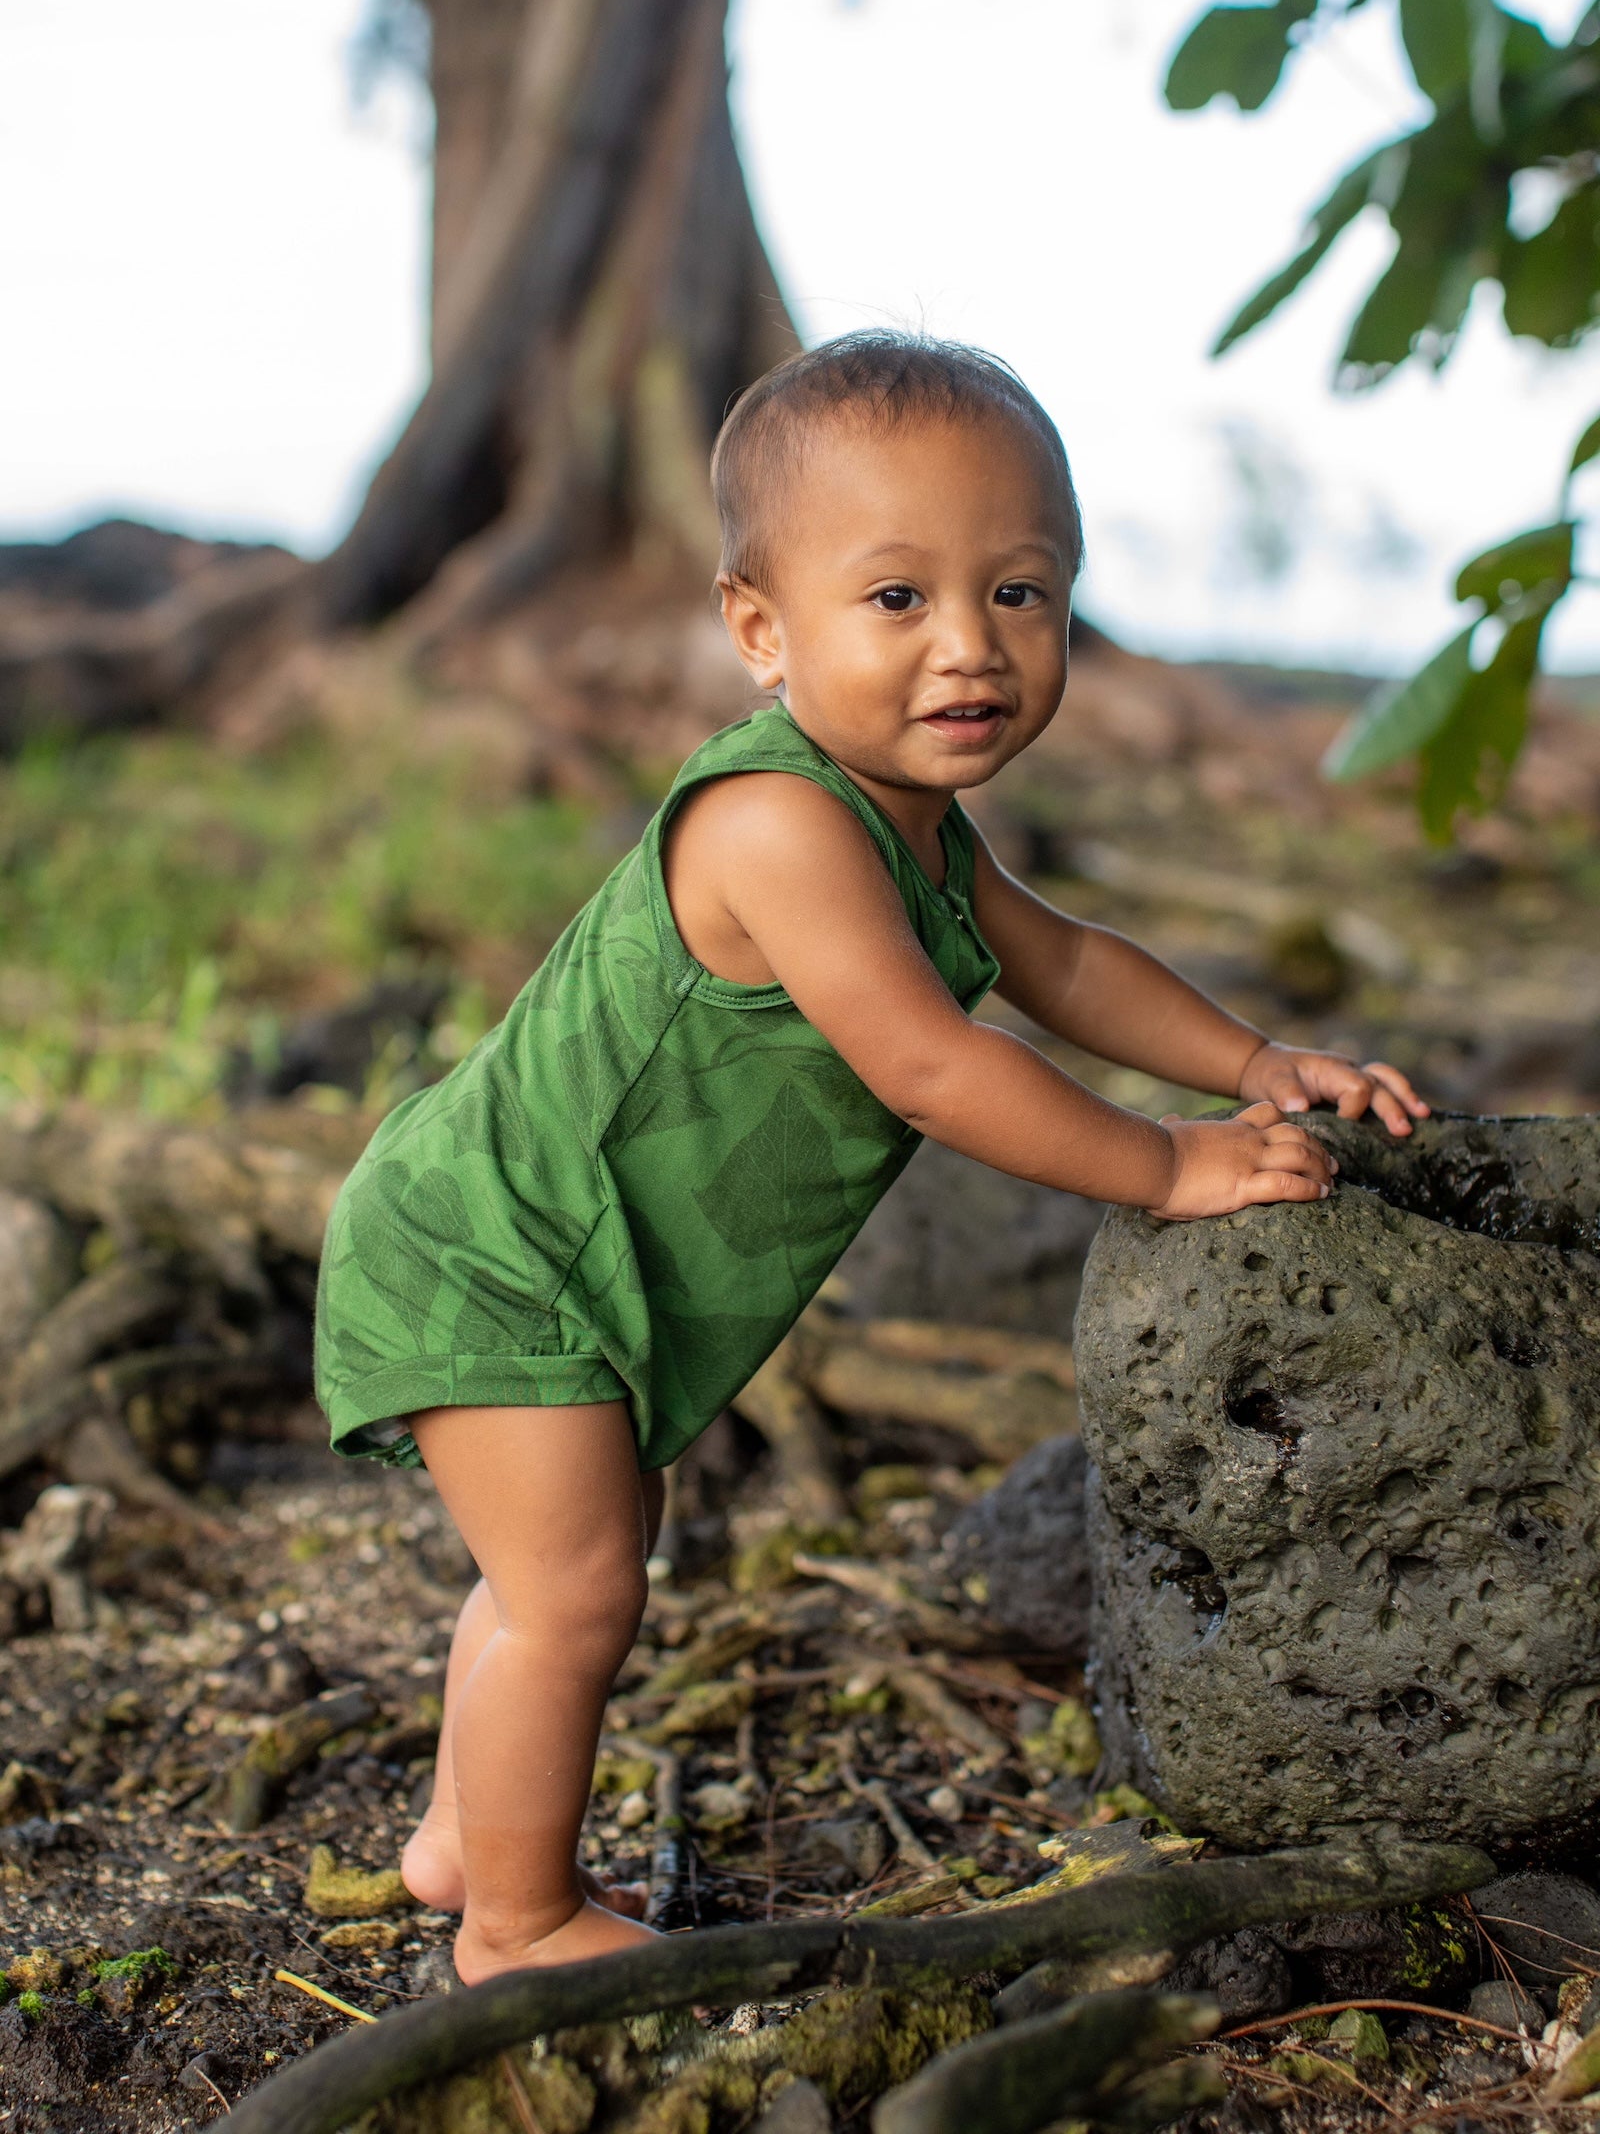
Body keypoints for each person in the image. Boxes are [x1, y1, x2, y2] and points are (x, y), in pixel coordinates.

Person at [313, 332, 1427, 1985]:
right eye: (896, 599)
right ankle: (516, 1925)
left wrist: (1253, 1059)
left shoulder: (917, 830)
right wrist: (1167, 1164)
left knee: (563, 1562)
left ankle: (468, 1835)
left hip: (565, 1257)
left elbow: (1065, 966)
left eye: (1021, 593)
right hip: (503, 1246)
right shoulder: (776, 826)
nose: (969, 647)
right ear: (760, 630)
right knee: (576, 1590)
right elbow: (929, 1064)